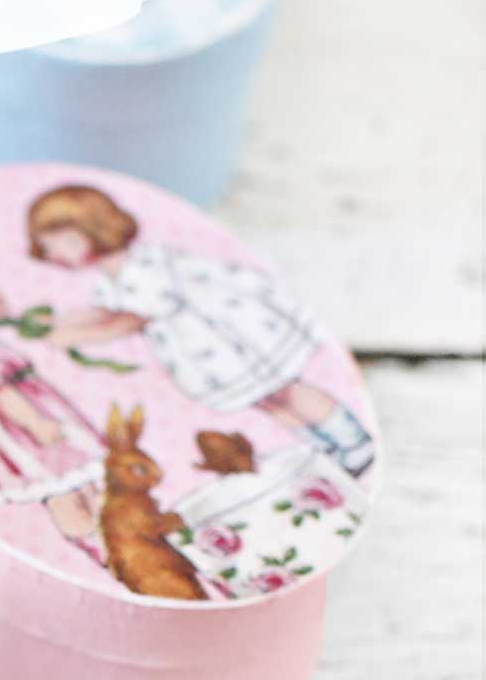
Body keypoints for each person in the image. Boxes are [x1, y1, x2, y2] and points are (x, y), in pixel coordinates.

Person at [28, 185, 376, 477]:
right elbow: (106, 310)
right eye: (49, 248)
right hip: (204, 352)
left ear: (95, 228)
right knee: (263, 401)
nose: (56, 254)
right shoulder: (112, 277)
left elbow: (130, 319)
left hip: (227, 338)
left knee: (286, 390)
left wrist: (74, 336)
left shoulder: (142, 267)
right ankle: (324, 447)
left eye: (63, 242)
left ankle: (353, 440)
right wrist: (62, 323)